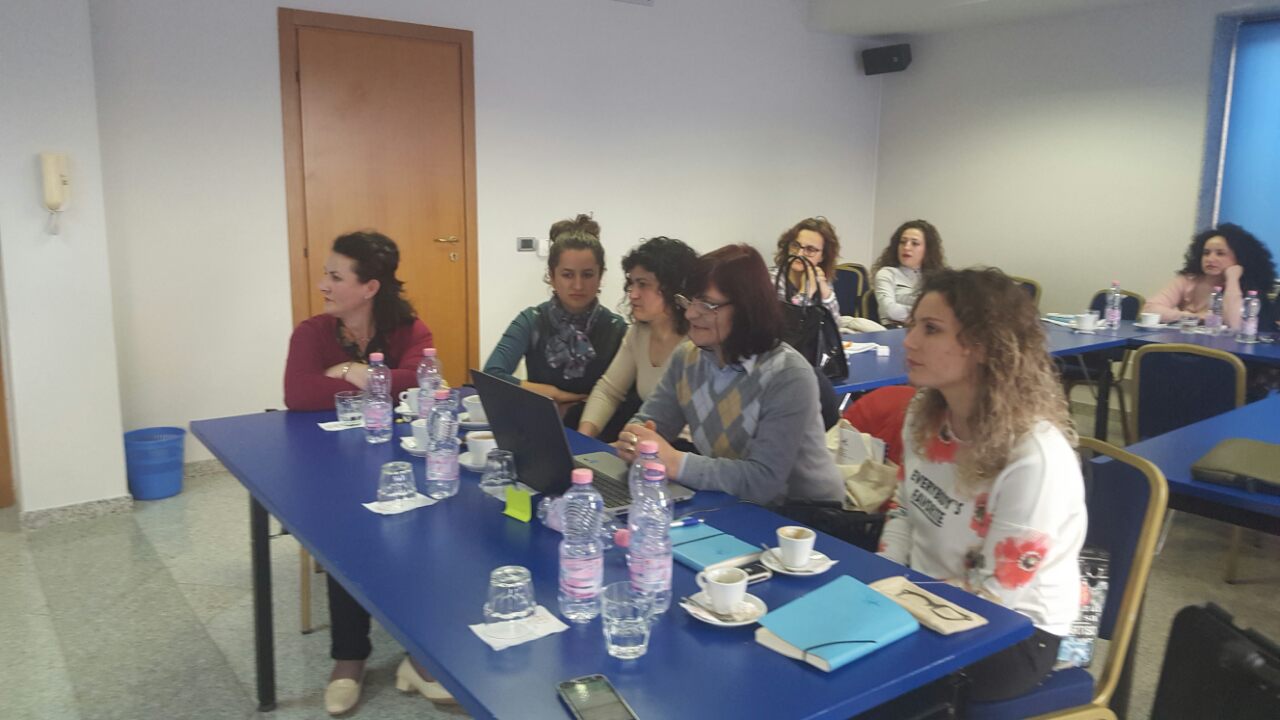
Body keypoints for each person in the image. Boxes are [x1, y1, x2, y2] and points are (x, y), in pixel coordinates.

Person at [877, 267, 1086, 706]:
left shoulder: (1035, 457)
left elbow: (995, 598)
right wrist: (881, 584)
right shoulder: (924, 414)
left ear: (983, 346)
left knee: (868, 684)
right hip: (919, 597)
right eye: (913, 325)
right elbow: (903, 509)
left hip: (1013, 634)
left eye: (930, 329)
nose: (908, 341)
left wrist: (894, 609)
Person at [281, 231, 451, 715]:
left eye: (335, 277)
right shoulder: (311, 332)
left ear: (369, 287)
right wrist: (367, 377)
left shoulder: (409, 330)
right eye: (326, 274)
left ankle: (421, 655)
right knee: (346, 528)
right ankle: (349, 658)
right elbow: (298, 394)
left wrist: (349, 373)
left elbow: (423, 380)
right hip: (333, 463)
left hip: (405, 461)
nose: (323, 285)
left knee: (435, 528)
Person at [616, 244, 843, 506]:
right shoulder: (687, 358)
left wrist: (676, 462)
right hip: (734, 502)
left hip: (804, 515)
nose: (690, 313)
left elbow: (763, 482)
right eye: (690, 301)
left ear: (746, 309)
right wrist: (634, 439)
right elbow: (651, 422)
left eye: (707, 305)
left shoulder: (788, 376)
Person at [483, 214, 628, 425]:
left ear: (600, 277)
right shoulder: (532, 320)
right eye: (567, 275)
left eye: (587, 275)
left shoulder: (617, 328)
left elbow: (630, 398)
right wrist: (552, 394)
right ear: (551, 276)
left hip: (602, 434)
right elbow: (491, 377)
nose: (578, 285)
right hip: (544, 426)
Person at [578, 236, 698, 442]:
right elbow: (608, 391)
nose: (633, 294)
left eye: (643, 284)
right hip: (650, 445)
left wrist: (625, 447)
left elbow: (688, 431)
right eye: (631, 283)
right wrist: (583, 440)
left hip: (685, 450)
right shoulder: (638, 333)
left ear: (673, 289)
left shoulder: (698, 343)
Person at [1144, 223, 1277, 331]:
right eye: (1206, 253)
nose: (1210, 259)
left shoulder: (1247, 287)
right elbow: (1149, 309)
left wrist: (1232, 279)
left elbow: (1234, 325)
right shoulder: (1187, 280)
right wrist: (1193, 317)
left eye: (1220, 253)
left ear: (1240, 258)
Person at [872, 219, 945, 326]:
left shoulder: (937, 277)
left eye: (914, 243)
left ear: (927, 249)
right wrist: (929, 315)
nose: (906, 247)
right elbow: (890, 311)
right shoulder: (887, 273)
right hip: (895, 330)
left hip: (928, 330)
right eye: (903, 242)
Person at [772, 216, 842, 318]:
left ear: (823, 256)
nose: (799, 254)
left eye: (810, 249)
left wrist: (825, 293)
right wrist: (805, 294)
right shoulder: (772, 280)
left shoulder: (821, 278)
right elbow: (785, 324)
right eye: (795, 245)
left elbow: (835, 324)